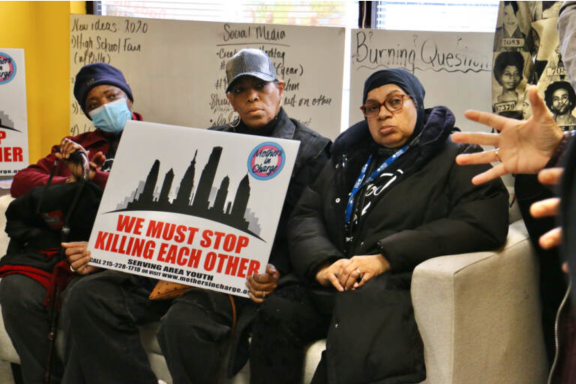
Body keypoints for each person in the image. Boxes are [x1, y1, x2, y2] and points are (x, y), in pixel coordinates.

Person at [60, 48, 331, 384]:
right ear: (230, 99)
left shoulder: (314, 150)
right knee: (85, 296)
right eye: (240, 90)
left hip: (240, 278)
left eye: (260, 87)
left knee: (182, 327)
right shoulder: (211, 140)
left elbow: (309, 229)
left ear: (281, 88)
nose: (252, 97)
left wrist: (277, 270)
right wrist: (108, 248)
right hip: (181, 264)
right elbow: (170, 212)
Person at [249, 68, 509, 384]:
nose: (383, 113)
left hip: (391, 283)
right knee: (278, 313)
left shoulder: (457, 153)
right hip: (333, 280)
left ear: (418, 103)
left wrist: (385, 257)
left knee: (362, 329)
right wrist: (323, 263)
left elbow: (484, 222)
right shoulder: (349, 156)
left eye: (395, 102)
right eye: (372, 107)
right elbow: (306, 215)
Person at [0, 62, 141, 384]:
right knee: (16, 290)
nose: (105, 107)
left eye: (111, 96)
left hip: (120, 248)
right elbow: (23, 181)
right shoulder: (77, 145)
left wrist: (92, 178)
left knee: (84, 297)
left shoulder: (157, 140)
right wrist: (69, 176)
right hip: (62, 245)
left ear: (129, 99)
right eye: (93, 104)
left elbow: (148, 195)